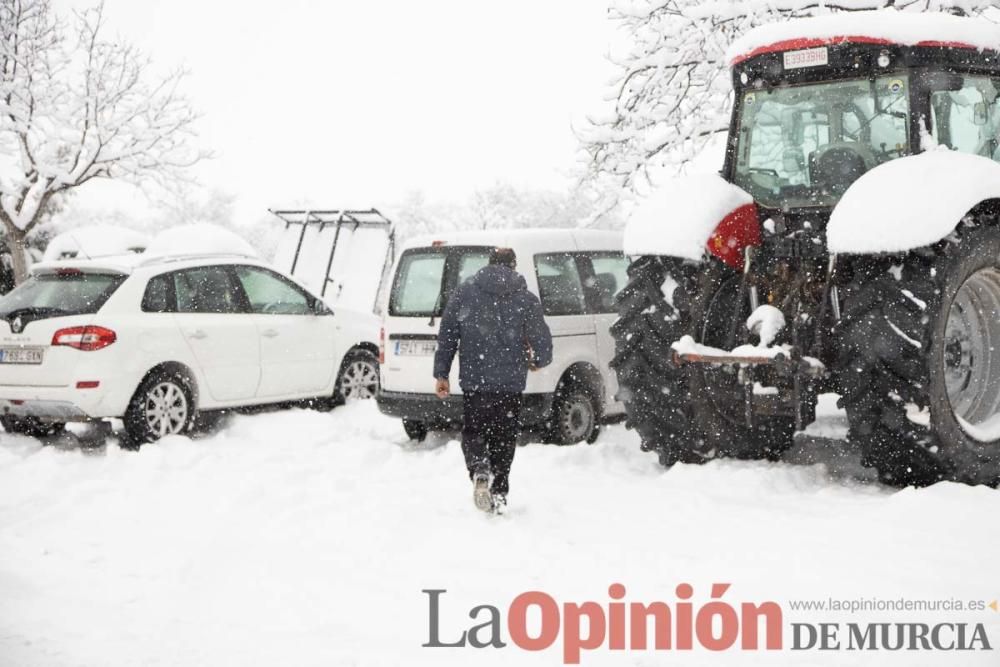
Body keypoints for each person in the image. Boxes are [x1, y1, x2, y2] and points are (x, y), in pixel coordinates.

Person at [433, 247, 553, 514]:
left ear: (488, 264)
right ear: (513, 266)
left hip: (475, 382)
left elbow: (448, 335)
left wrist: (442, 373)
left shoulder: (465, 293)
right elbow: (542, 337)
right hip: (510, 382)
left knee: (474, 431)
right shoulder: (525, 298)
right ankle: (499, 491)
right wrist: (539, 360)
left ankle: (479, 468)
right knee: (504, 437)